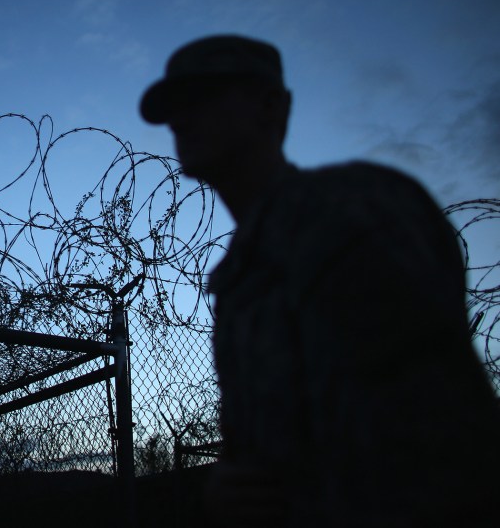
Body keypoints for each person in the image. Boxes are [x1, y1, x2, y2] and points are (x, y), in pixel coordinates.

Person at [139, 35, 500, 526]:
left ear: (272, 105)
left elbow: (446, 437)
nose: (180, 120)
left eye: (202, 97)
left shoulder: (355, 209)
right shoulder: (238, 277)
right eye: (174, 108)